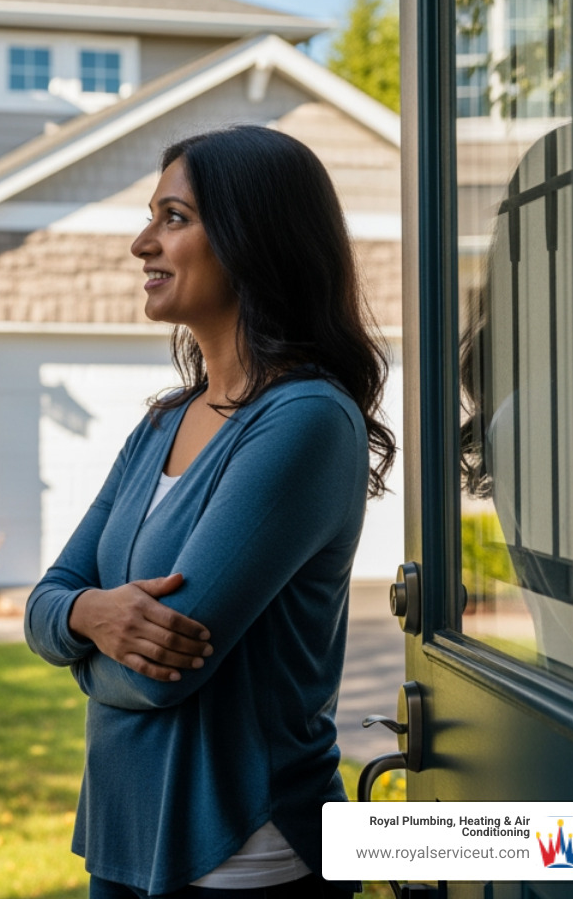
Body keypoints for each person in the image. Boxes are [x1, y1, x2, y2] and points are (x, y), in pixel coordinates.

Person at [25, 125, 396, 899]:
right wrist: (90, 616)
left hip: (243, 855)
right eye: (150, 217)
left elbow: (162, 678)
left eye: (173, 218)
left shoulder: (304, 420)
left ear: (252, 238)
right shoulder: (163, 421)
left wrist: (71, 633)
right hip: (123, 839)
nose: (140, 244)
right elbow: (46, 596)